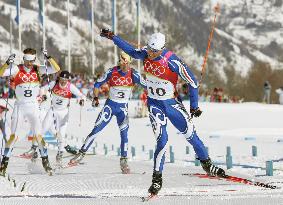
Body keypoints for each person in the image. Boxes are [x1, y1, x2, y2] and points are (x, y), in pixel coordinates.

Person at [99, 29, 226, 195]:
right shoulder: (145, 53)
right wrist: (113, 37)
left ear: (161, 49)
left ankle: (207, 164)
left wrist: (193, 106)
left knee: (191, 134)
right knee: (162, 140)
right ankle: (157, 179)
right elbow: (130, 50)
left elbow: (193, 82)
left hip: (171, 104)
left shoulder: (172, 61)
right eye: (149, 50)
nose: (150, 54)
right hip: (155, 105)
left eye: (154, 51)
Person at [69, 51, 146, 174]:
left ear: (128, 62)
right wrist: (95, 97)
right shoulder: (112, 71)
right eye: (121, 62)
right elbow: (97, 84)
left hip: (122, 109)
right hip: (110, 106)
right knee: (96, 130)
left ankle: (124, 161)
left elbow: (147, 86)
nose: (123, 65)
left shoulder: (134, 74)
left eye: (124, 63)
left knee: (124, 135)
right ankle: (81, 154)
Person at [0, 48, 61, 176]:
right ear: (23, 59)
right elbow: (1, 74)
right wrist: (7, 63)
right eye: (27, 60)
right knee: (13, 137)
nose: (29, 63)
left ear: (34, 60)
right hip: (20, 106)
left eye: (31, 61)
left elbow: (56, 69)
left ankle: (46, 163)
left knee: (39, 136)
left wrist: (48, 57)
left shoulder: (38, 69)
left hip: (33, 106)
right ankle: (3, 165)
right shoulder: (17, 69)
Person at [40, 70, 85, 166]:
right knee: (42, 131)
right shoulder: (53, 84)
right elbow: (42, 89)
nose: (63, 81)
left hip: (64, 113)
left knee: (61, 134)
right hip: (52, 111)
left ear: (68, 80)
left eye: (65, 80)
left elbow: (81, 95)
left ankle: (59, 155)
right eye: (61, 79)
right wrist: (43, 95)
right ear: (59, 78)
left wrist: (81, 100)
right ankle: (36, 150)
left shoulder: (70, 87)